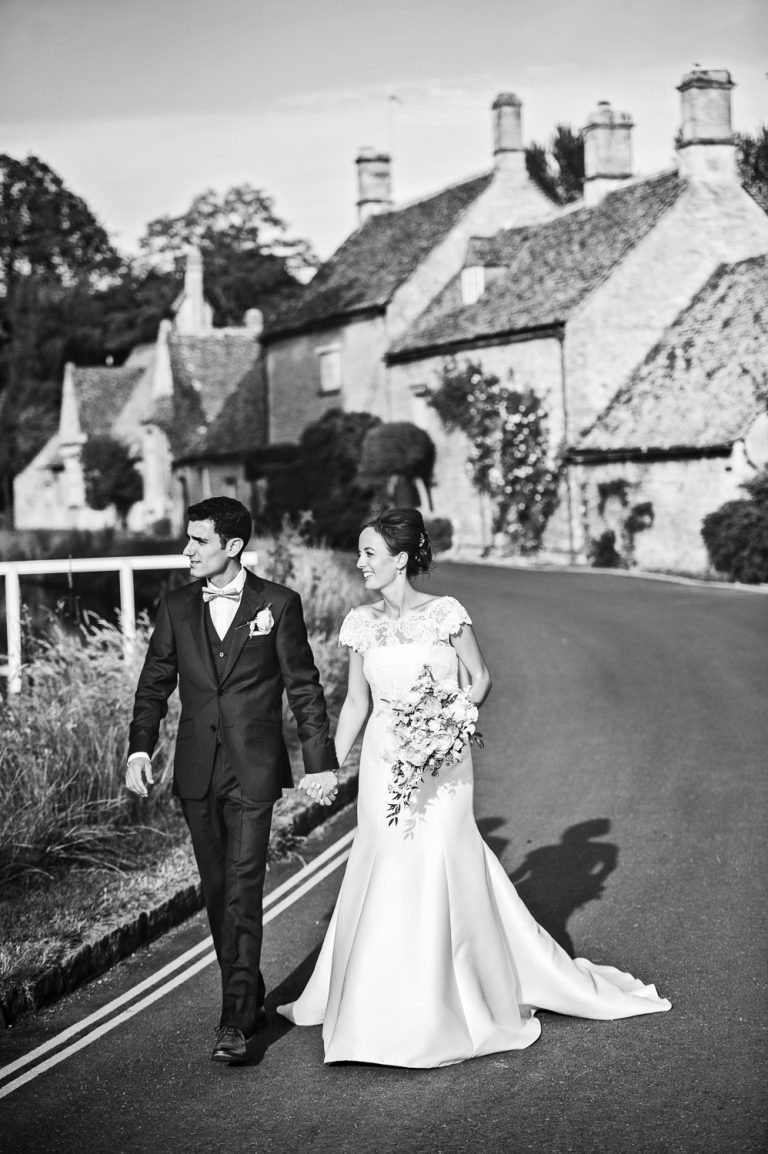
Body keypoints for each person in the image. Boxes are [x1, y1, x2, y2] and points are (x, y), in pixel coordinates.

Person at [278, 508, 671, 1067]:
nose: (360, 562)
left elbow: (480, 679)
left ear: (401, 557)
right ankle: (378, 1000)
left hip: (443, 759)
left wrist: (451, 724)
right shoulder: (361, 624)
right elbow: (357, 705)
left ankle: (452, 999)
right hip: (386, 759)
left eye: (369, 553)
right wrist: (328, 766)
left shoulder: (446, 614)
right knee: (385, 861)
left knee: (441, 858)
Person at [125, 496, 339, 1065]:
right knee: (217, 892)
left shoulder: (278, 604)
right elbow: (153, 687)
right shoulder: (174, 607)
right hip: (196, 769)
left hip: (253, 769)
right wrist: (139, 749)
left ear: (233, 546)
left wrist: (320, 759)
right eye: (188, 538)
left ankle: (236, 1019)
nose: (187, 549)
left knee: (243, 888)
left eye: (198, 540)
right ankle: (249, 993)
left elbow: (304, 688)